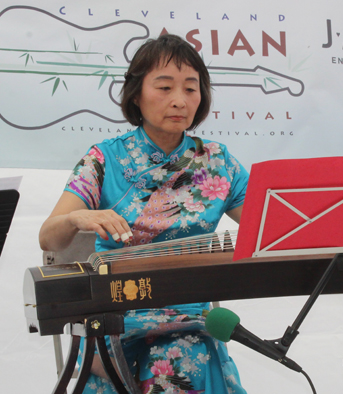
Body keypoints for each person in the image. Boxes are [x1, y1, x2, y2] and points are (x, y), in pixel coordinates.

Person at [39, 34, 248, 394]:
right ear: (136, 94)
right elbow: (49, 236)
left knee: (185, 358)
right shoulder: (105, 159)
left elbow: (270, 227)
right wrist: (78, 219)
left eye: (191, 89)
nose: (179, 101)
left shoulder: (218, 162)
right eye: (164, 87)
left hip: (188, 317)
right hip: (117, 309)